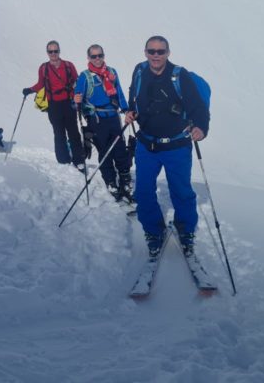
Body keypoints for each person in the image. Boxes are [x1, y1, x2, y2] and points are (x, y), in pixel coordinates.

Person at [124, 36, 210, 257]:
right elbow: (134, 95)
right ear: (145, 52)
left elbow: (198, 107)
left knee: (181, 191)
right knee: (143, 192)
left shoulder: (180, 76)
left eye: (160, 51)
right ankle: (153, 231)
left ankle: (185, 230)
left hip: (176, 146)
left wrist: (201, 127)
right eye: (151, 51)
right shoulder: (140, 71)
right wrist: (131, 111)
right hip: (146, 144)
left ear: (168, 53)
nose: (155, 55)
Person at [74, 45, 132, 201]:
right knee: (105, 151)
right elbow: (76, 99)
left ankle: (125, 179)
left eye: (100, 55)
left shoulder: (111, 72)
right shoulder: (85, 77)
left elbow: (118, 92)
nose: (97, 59)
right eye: (94, 56)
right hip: (97, 119)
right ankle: (110, 180)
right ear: (89, 58)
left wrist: (126, 109)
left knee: (120, 148)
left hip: (113, 116)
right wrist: (76, 100)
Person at [23, 40, 85, 170]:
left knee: (73, 132)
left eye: (55, 51)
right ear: (47, 53)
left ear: (59, 51)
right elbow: (40, 84)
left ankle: (78, 160)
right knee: (59, 133)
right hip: (53, 105)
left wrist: (78, 96)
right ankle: (63, 160)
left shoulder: (68, 66)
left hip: (68, 103)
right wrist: (30, 90)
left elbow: (77, 81)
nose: (53, 54)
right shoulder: (44, 68)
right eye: (50, 51)